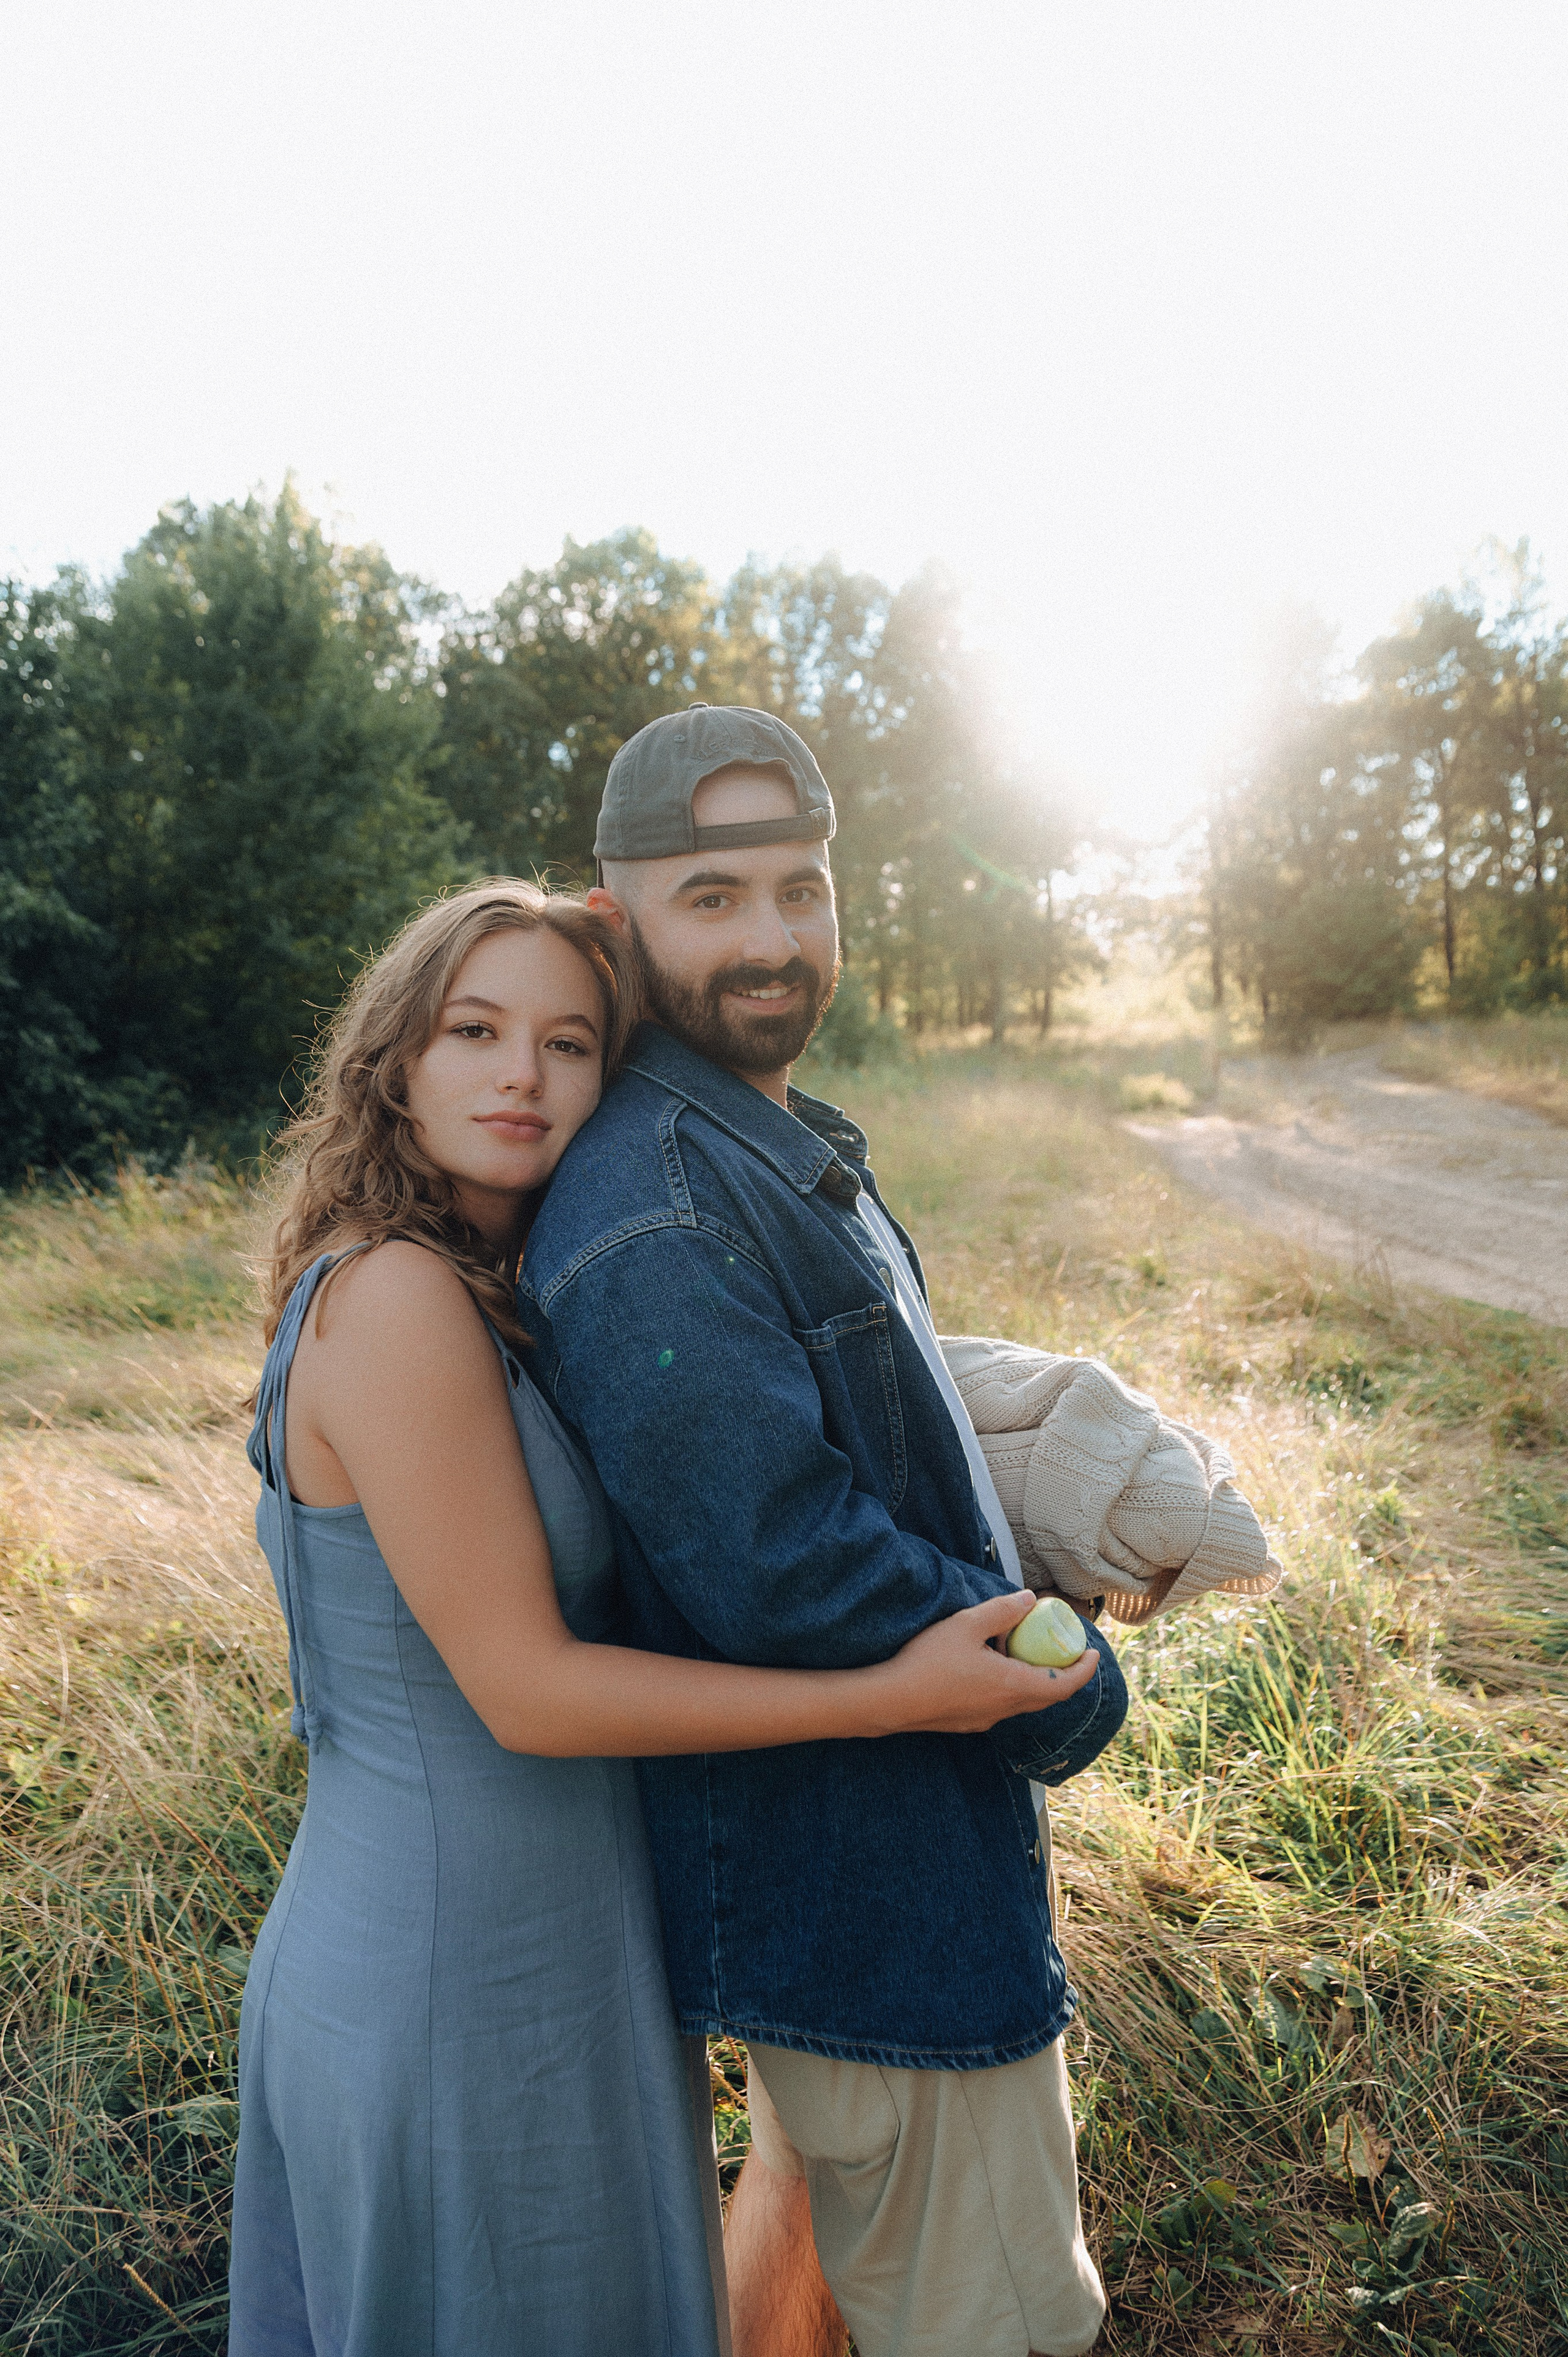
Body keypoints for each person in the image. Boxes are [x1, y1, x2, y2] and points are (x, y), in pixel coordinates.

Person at [228, 878, 1096, 2357]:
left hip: (558, 1943)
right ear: (396, 1062)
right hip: (451, 1963)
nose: (522, 1075)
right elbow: (529, 1691)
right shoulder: (395, 1300)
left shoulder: (486, 1283)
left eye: (570, 1041)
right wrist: (887, 1691)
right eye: (474, 1029)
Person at [521, 706, 1129, 2357]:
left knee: (813, 2295)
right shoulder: (659, 1200)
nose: (772, 939)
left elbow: (858, 1445)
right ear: (616, 921)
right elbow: (785, 1561)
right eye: (711, 897)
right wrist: (1070, 1679)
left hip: (878, 1885)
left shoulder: (762, 1147)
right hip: (880, 1908)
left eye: (800, 888)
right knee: (999, 2329)